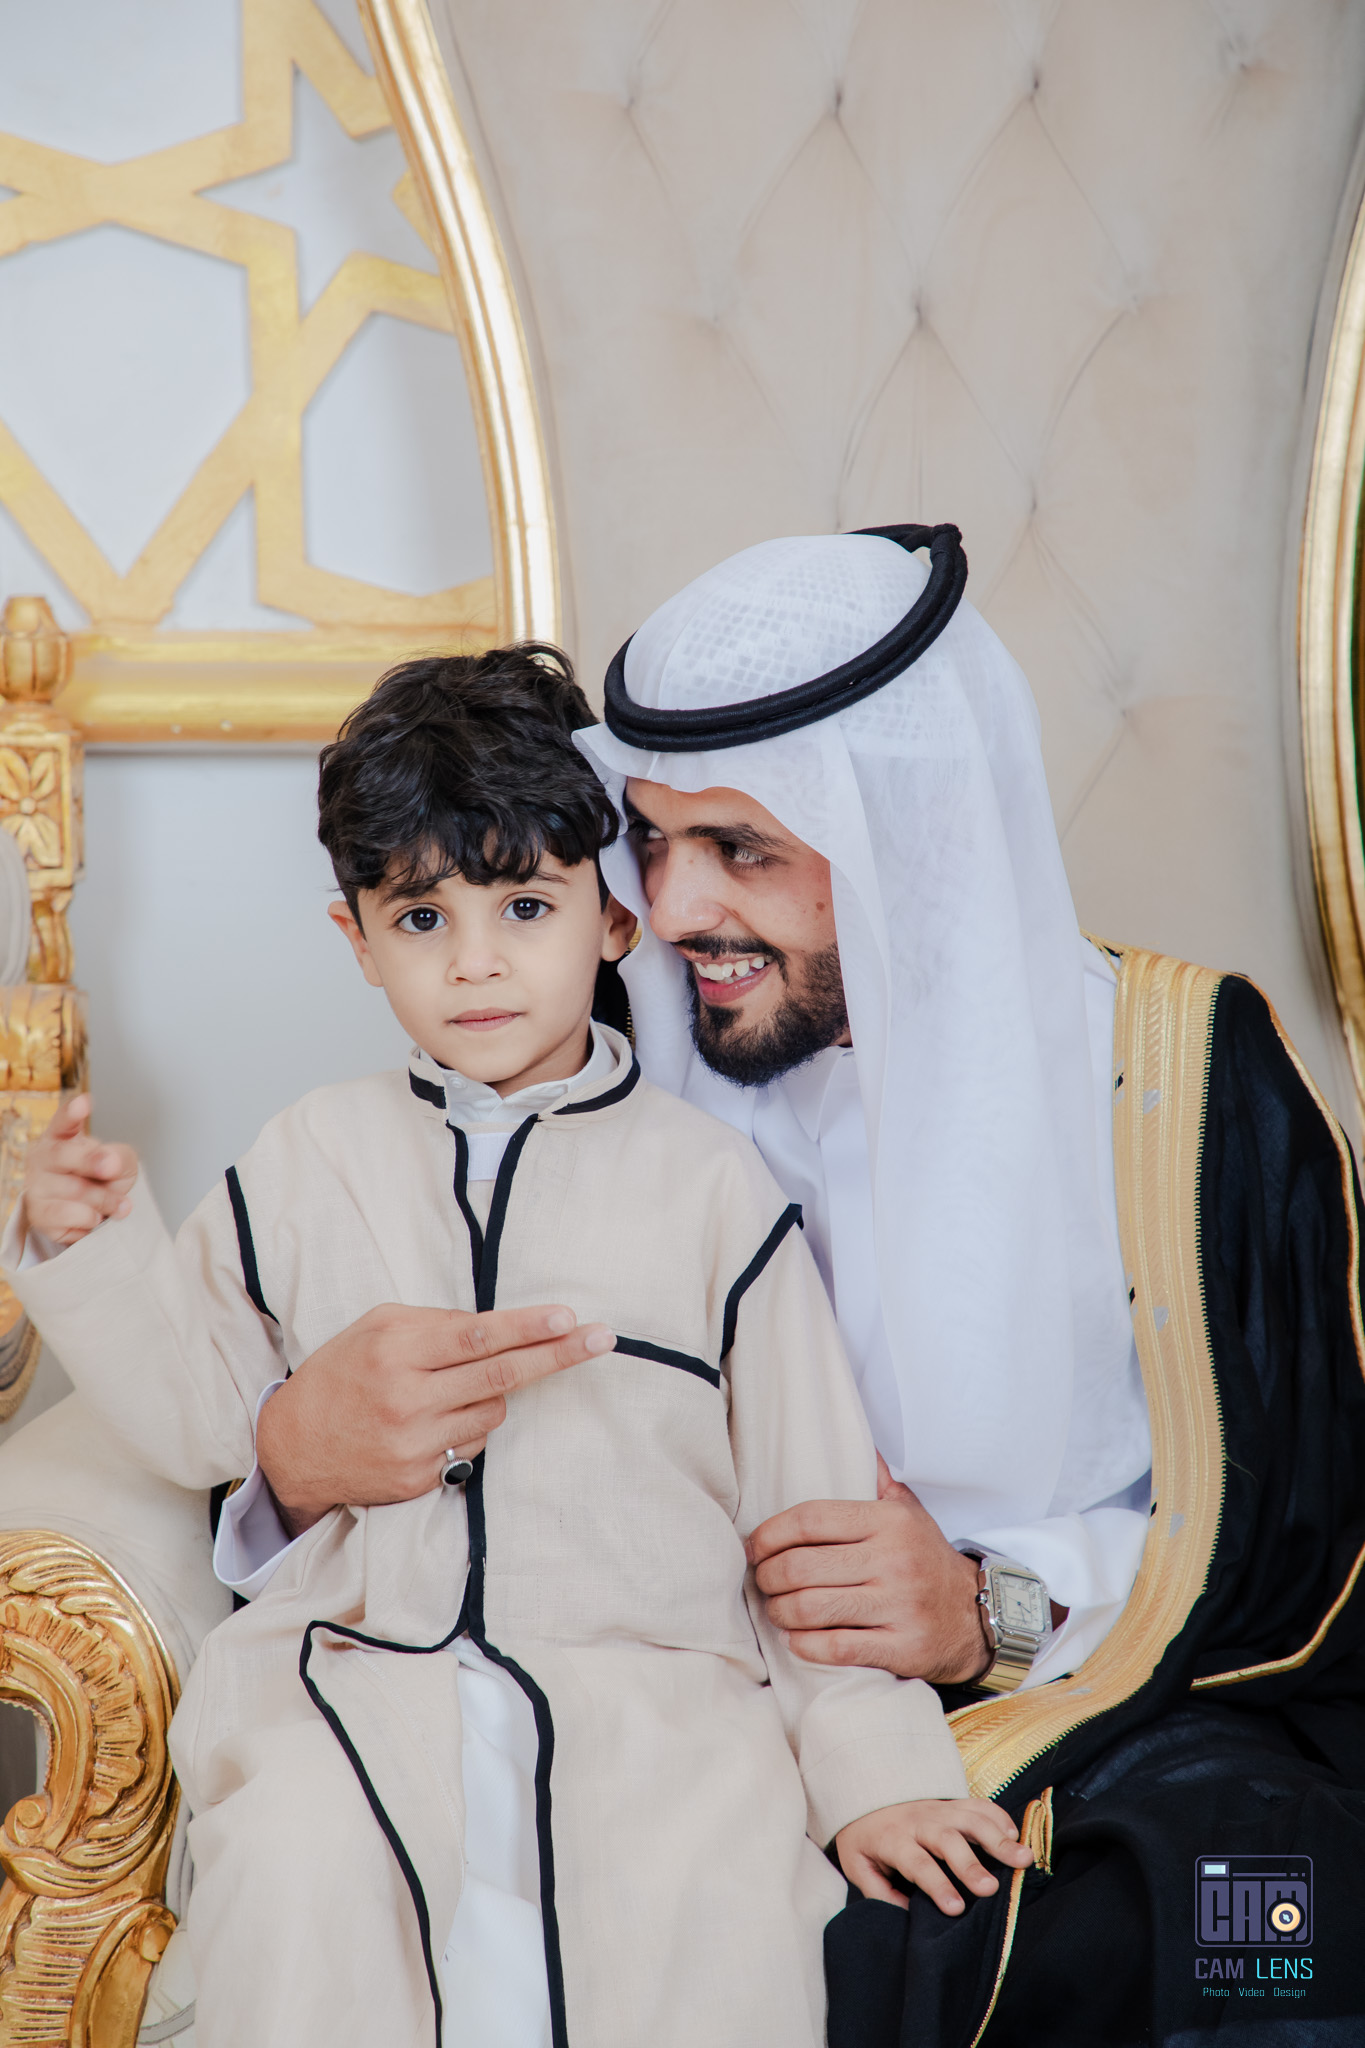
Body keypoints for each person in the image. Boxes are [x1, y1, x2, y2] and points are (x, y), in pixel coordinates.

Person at [180, 525, 1365, 2046]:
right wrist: (293, 1449)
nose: (675, 911)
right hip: (686, 1707)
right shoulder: (582, 1027)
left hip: (1090, 1691)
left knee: (1271, 1923)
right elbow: (319, 1305)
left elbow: (1308, 1548)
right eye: (653, 842)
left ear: (903, 838)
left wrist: (988, 1612)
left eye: (742, 850)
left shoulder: (1184, 1082)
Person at [5, 646, 1032, 2048]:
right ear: (355, 938)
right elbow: (199, 1421)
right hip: (355, 1683)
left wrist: (875, 1777)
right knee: (297, 1874)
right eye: (421, 918)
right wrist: (85, 1244)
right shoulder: (307, 1160)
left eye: (527, 907)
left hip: (659, 1702)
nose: (475, 962)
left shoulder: (709, 1188)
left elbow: (809, 1514)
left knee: (706, 1915)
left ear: (613, 920)